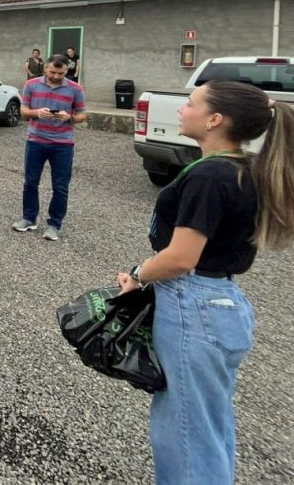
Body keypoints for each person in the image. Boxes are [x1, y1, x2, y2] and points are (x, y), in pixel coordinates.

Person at [115, 82, 294, 483]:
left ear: (214, 120)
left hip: (193, 307)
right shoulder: (242, 168)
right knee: (206, 426)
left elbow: (181, 257)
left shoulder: (211, 176)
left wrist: (140, 275)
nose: (183, 109)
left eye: (192, 104)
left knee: (184, 434)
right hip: (220, 302)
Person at [11, 54, 87, 241]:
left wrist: (68, 117)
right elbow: (23, 112)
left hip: (63, 144)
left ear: (66, 70)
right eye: (52, 72)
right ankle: (29, 218)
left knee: (60, 187)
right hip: (36, 140)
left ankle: (54, 224)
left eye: (60, 73)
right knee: (30, 182)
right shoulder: (31, 85)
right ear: (45, 68)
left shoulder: (75, 89)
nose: (55, 76)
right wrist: (37, 113)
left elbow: (83, 115)